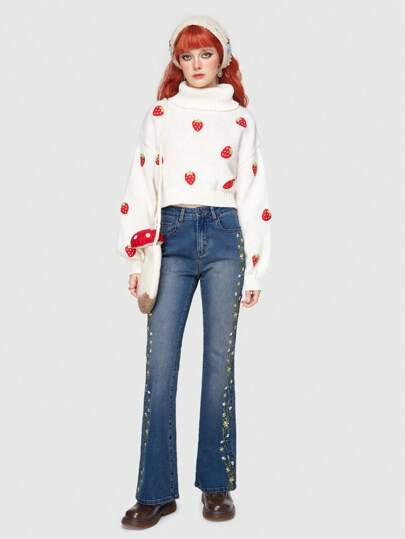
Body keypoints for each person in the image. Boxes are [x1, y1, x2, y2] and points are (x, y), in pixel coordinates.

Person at [117, 15, 272, 529]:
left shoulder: (241, 120)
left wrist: (255, 270)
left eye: (205, 54)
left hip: (226, 238)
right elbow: (141, 183)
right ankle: (156, 492)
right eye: (187, 56)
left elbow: (253, 194)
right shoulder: (161, 114)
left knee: (218, 365)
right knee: (160, 366)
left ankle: (216, 485)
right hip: (171, 239)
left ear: (222, 57)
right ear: (177, 62)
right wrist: (137, 257)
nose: (197, 64)